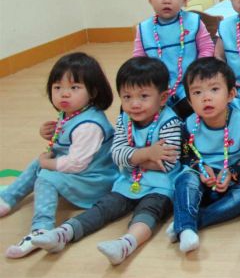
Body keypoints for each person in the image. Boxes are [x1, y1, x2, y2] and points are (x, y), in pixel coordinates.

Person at [31, 57, 182, 265]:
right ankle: (63, 233)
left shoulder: (170, 122)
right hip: (126, 182)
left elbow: (166, 164)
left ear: (163, 97)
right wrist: (148, 153)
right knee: (103, 207)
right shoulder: (124, 119)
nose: (134, 104)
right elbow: (116, 154)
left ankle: (126, 244)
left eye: (144, 96)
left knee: (147, 213)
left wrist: (131, 157)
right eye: (127, 97)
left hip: (161, 187)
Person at [1, 53, 117, 259]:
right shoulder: (74, 113)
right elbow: (69, 141)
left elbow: (76, 163)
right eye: (57, 87)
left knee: (46, 176)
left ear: (93, 91)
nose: (64, 94)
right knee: (40, 164)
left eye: (74, 88)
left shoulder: (89, 125)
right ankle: (9, 197)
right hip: (85, 173)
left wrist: (49, 164)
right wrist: (51, 133)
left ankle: (41, 228)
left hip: (95, 181)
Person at [167, 58, 240, 253]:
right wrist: (199, 167)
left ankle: (187, 223)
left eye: (214, 89)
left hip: (233, 182)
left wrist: (232, 172)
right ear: (190, 101)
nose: (206, 98)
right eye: (197, 93)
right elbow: (186, 154)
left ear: (231, 94)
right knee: (185, 179)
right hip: (203, 179)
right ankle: (186, 224)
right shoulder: (188, 124)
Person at [134, 0, 214, 119]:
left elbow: (207, 48)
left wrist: (196, 72)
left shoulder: (193, 22)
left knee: (195, 109)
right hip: (157, 88)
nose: (166, 0)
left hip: (190, 85)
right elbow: (138, 61)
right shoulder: (143, 29)